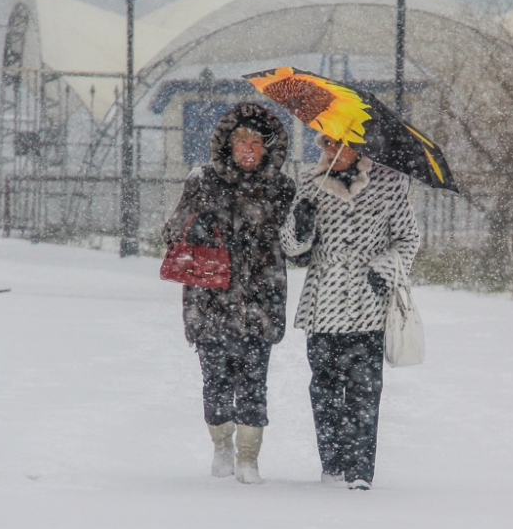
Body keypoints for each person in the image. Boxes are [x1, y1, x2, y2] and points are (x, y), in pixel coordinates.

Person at [161, 102, 295, 484]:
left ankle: (248, 457)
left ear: (268, 147)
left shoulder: (282, 188)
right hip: (210, 303)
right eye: (241, 142)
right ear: (228, 145)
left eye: (256, 142)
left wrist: (300, 227)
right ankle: (222, 445)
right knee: (216, 380)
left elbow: (298, 250)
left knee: (254, 381)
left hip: (260, 302)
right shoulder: (202, 182)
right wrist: (194, 227)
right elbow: (171, 231)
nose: (249, 150)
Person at [280, 133, 420, 490]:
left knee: (364, 391)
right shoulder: (312, 183)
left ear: (359, 147)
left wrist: (384, 268)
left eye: (340, 144)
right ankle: (332, 465)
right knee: (324, 390)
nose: (332, 151)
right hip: (323, 302)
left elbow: (408, 239)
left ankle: (359, 471)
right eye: (326, 143)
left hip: (367, 303)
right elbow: (292, 249)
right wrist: (300, 225)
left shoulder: (388, 183)